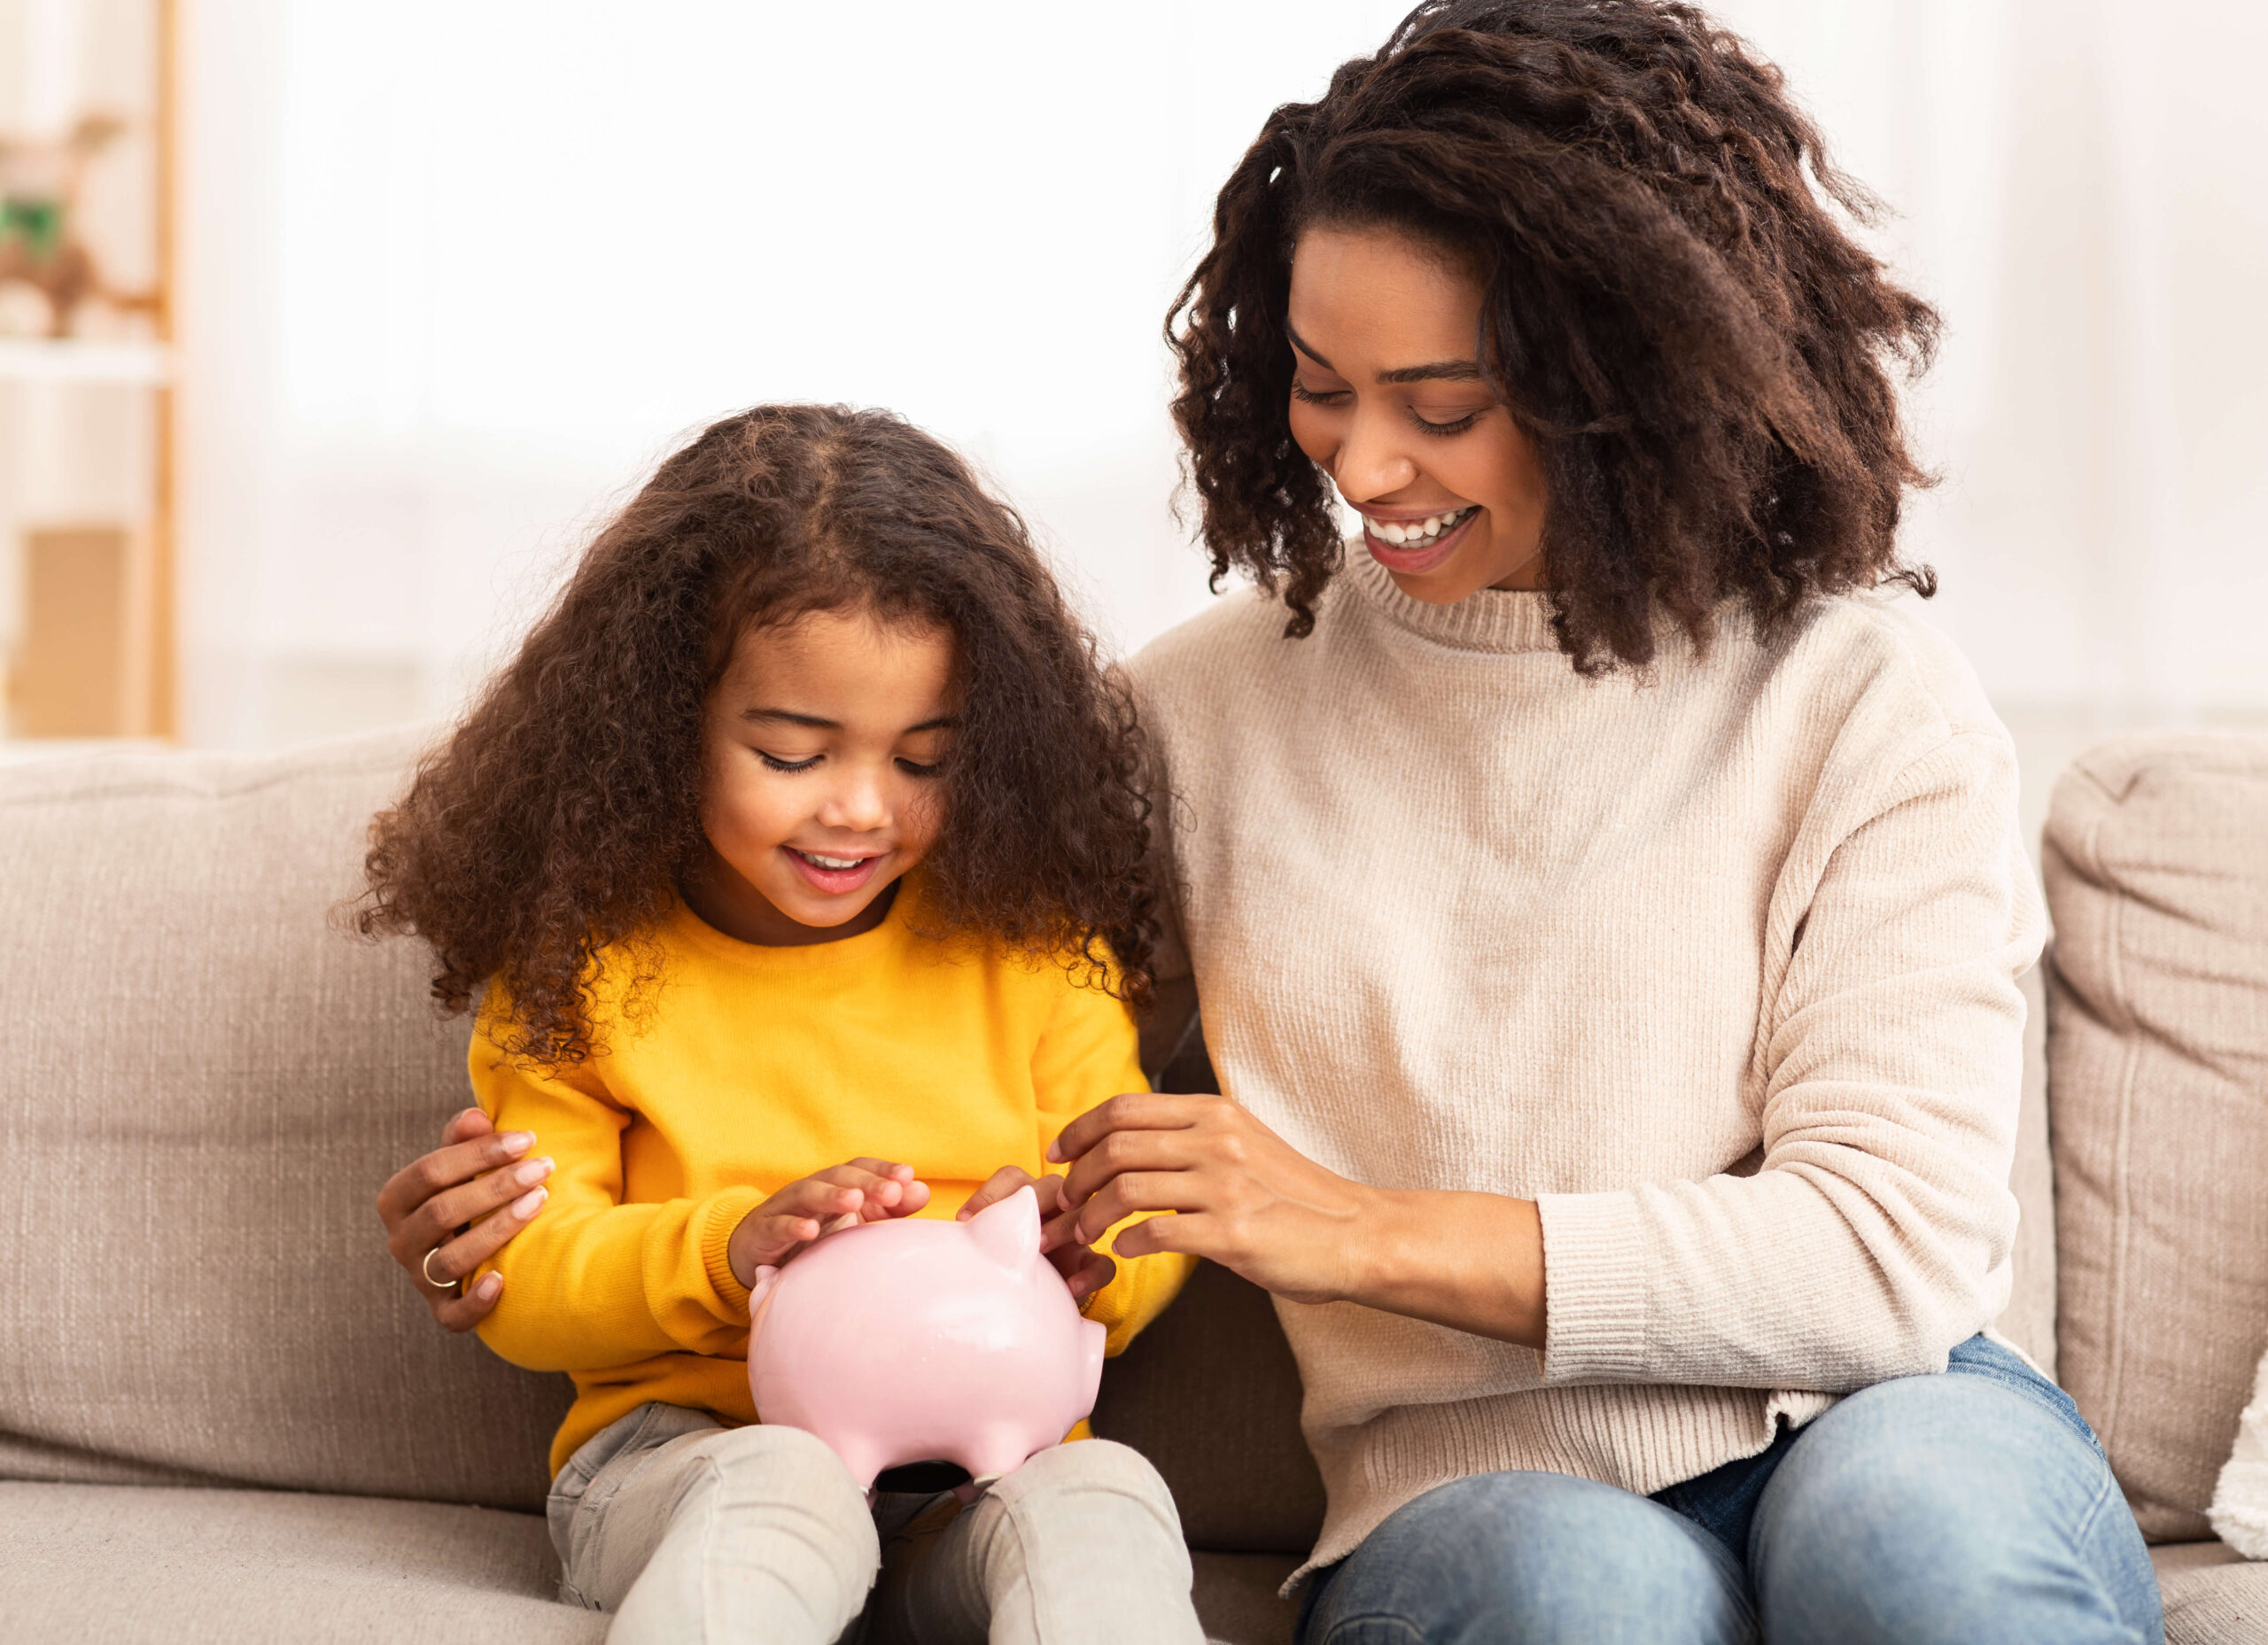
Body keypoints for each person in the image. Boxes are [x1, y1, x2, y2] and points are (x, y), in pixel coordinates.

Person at [384, 4, 2164, 1641]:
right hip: (1466, 1482)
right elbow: (910, 989)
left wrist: (1350, 1225)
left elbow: (1886, 1249)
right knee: (1569, 1591)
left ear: (1629, 371)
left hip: (1872, 1404)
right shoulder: (1192, 718)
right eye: (1321, 384)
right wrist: (538, 1207)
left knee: (1913, 1532)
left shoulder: (1859, 697)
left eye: (1442, 407)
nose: (1362, 467)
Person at [361, 403, 1201, 1645]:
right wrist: (729, 1252)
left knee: (1109, 1495)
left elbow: (1143, 1211)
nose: (862, 808)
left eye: (925, 760)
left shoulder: (1030, 949)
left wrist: (1097, 1263)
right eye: (794, 751)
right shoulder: (584, 969)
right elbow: (523, 1280)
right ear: (663, 725)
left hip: (990, 1464)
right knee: (782, 1483)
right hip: (690, 1460)